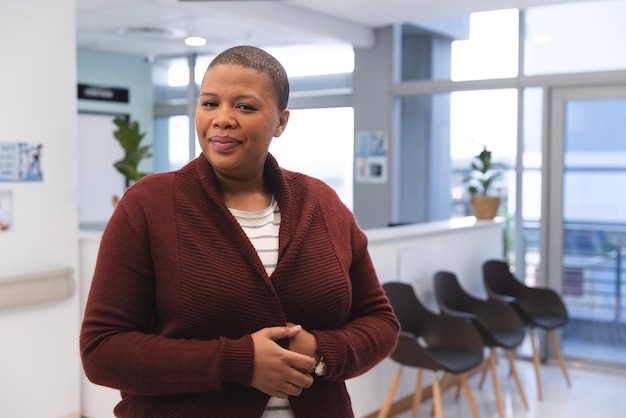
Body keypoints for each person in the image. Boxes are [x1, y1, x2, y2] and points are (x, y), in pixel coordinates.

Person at [80, 45, 399, 418]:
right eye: (210, 103)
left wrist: (319, 351)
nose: (223, 119)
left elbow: (381, 322)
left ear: (281, 122)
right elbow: (103, 351)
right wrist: (238, 362)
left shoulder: (322, 203)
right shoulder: (148, 204)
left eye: (245, 106)